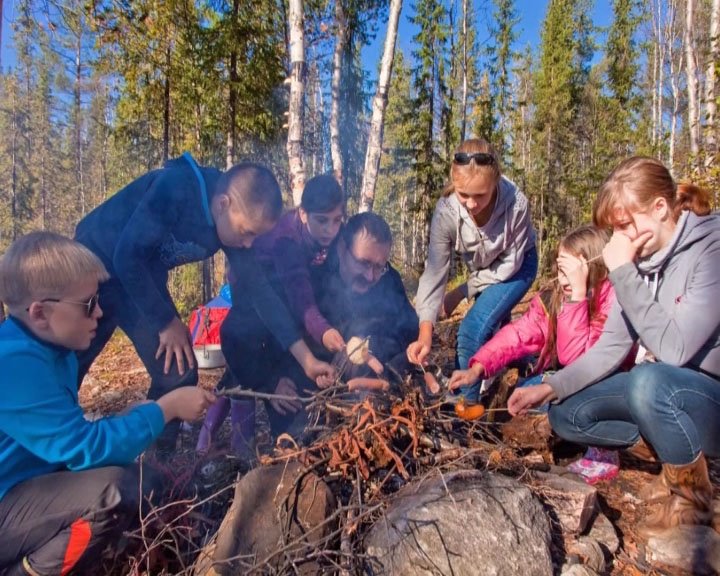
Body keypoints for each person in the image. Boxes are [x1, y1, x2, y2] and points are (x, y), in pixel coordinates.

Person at [507, 157, 719, 536]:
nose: (619, 238)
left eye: (625, 225)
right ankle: (671, 454)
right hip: (664, 395)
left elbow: (676, 349)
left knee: (648, 381)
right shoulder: (638, 260)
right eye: (614, 229)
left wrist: (622, 270)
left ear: (660, 208)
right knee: (566, 413)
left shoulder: (711, 249)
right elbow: (610, 347)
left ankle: (692, 500)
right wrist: (551, 386)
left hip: (707, 397)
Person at [74, 154, 334, 450]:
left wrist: (306, 358)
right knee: (69, 363)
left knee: (178, 370)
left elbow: (261, 291)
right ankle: (43, 446)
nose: (248, 244)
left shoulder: (233, 220)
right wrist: (166, 322)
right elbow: (126, 255)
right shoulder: (176, 189)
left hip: (139, 278)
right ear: (224, 204)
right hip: (92, 266)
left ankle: (155, 467)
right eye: (247, 233)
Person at [0, 232, 215, 576]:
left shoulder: (53, 351)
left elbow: (62, 433)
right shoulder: (13, 363)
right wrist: (166, 408)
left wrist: (132, 417)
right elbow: (83, 447)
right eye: (88, 304)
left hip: (23, 488)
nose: (100, 312)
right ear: (39, 312)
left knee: (144, 481)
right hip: (6, 503)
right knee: (111, 492)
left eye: (98, 299)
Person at [221, 212, 418, 440]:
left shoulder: (387, 279)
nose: (370, 275)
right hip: (302, 383)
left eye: (379, 266)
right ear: (343, 248)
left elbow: (408, 330)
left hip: (364, 393)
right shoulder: (306, 272)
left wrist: (371, 347)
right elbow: (238, 330)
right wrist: (269, 381)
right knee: (300, 444)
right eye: (363, 263)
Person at [196, 174, 345, 454]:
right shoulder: (284, 241)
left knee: (236, 374)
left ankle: (218, 438)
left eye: (337, 220)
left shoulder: (325, 238)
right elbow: (301, 299)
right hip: (253, 299)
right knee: (242, 369)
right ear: (303, 214)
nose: (330, 230)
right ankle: (233, 448)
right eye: (322, 220)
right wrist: (323, 332)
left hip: (279, 305)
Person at [407, 138, 538, 402]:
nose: (470, 203)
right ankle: (530, 363)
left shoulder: (516, 205)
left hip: (518, 266)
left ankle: (467, 409)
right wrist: (425, 332)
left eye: (480, 195)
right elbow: (434, 272)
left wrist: (462, 291)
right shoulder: (446, 212)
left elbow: (507, 268)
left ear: (496, 183)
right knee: (494, 330)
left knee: (472, 329)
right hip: (486, 269)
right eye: (462, 194)